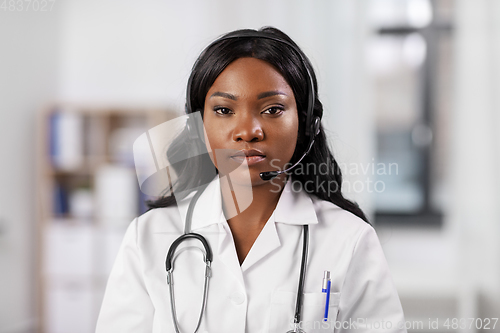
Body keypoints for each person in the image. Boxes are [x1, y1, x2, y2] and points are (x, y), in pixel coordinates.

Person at [96, 27, 407, 333]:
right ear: (198, 126)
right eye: (223, 109)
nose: (248, 130)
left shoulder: (349, 240)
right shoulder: (148, 236)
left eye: (273, 109)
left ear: (305, 123)